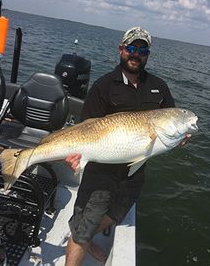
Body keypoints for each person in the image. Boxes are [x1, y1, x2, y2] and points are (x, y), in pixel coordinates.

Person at [65, 27, 178, 265]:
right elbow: (85, 128)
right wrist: (75, 154)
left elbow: (170, 123)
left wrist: (179, 136)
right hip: (101, 172)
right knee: (82, 228)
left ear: (148, 54)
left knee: (116, 215)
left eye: (142, 49)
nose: (136, 54)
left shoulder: (159, 86)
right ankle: (82, 238)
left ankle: (88, 237)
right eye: (131, 48)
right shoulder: (103, 86)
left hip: (134, 174)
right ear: (121, 49)